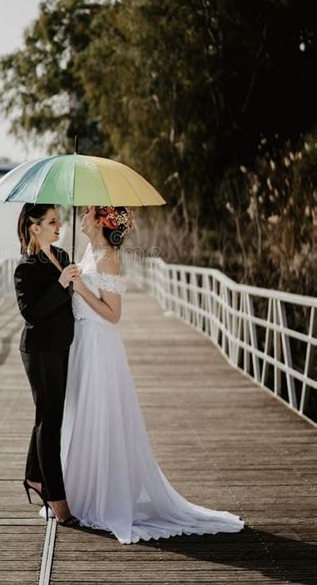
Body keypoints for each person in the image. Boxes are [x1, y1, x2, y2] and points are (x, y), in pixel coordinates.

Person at [61, 205, 245, 544]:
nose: (82, 218)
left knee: (103, 417)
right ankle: (80, 492)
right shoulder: (88, 251)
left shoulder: (108, 258)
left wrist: (80, 288)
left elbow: (113, 315)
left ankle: (105, 500)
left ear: (102, 221)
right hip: (83, 345)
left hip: (101, 347)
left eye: (88, 213)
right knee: (84, 417)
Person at [14, 203, 80, 526]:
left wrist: (76, 280)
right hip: (39, 351)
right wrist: (61, 285)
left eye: (59, 221)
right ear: (34, 227)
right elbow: (32, 314)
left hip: (62, 348)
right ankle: (56, 497)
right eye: (52, 222)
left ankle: (33, 476)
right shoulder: (25, 268)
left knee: (48, 414)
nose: (59, 226)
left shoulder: (64, 257)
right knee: (50, 421)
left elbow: (69, 302)